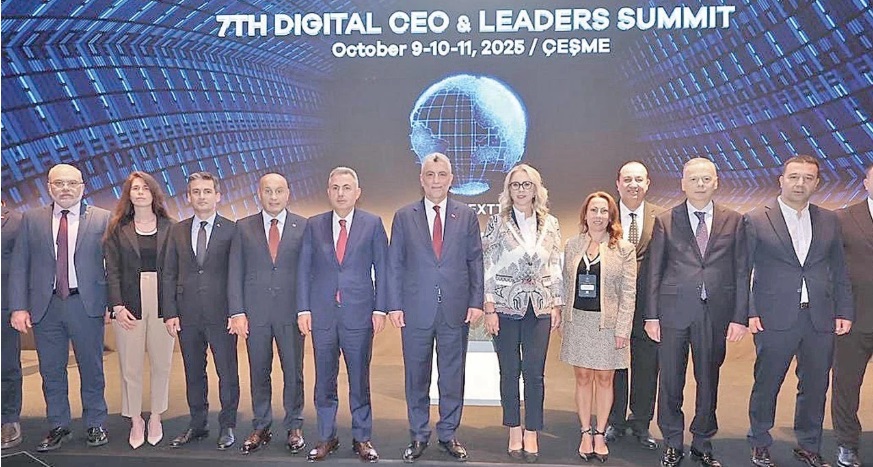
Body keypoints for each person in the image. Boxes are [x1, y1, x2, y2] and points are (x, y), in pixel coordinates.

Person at [745, 155, 853, 467]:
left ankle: (808, 445)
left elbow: (839, 269)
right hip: (773, 316)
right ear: (781, 180)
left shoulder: (829, 219)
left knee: (816, 386)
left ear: (816, 183)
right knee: (767, 383)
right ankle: (760, 442)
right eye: (794, 176)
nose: (800, 183)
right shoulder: (756, 218)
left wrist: (844, 310)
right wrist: (749, 311)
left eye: (807, 178)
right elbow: (742, 270)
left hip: (820, 317)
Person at [645, 158, 748, 467]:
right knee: (671, 381)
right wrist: (651, 316)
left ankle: (702, 442)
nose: (700, 184)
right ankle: (672, 442)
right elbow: (654, 271)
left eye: (706, 179)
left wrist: (740, 316)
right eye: (694, 179)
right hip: (673, 313)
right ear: (683, 184)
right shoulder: (666, 220)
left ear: (716, 182)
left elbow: (741, 271)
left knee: (708, 380)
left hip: (715, 313)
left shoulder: (735, 220)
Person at [387, 152, 484, 463]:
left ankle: (448, 433)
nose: (436, 180)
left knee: (452, 376)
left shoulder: (466, 215)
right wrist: (394, 305)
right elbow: (394, 264)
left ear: (451, 179)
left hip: (455, 308)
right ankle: (418, 435)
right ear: (422, 179)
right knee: (416, 376)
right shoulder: (404, 216)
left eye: (442, 175)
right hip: (415, 309)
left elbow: (475, 260)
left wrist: (476, 301)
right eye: (430, 174)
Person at [9, 164, 111, 451]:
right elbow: (20, 265)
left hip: (86, 304)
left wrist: (113, 303)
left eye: (72, 183)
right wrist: (18, 307)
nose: (65, 188)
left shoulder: (102, 218)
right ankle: (58, 426)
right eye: (59, 183)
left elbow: (113, 266)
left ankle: (95, 424)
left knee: (92, 369)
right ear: (49, 187)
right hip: (46, 306)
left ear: (83, 187)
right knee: (51, 371)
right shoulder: (32, 219)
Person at [297, 167, 388, 462]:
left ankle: (362, 438)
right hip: (322, 315)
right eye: (335, 187)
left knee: (359, 379)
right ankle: (326, 437)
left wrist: (380, 308)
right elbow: (304, 270)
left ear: (357, 193)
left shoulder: (372, 223)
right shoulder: (314, 225)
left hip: (359, 314)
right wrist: (303, 309)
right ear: (328, 192)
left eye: (347, 187)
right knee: (324, 380)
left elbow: (383, 269)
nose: (341, 193)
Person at [481, 163, 563, 462]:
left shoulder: (551, 223)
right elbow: (487, 265)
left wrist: (557, 303)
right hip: (504, 307)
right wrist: (489, 306)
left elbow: (555, 264)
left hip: (539, 308)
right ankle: (514, 428)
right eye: (515, 185)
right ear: (508, 190)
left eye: (526, 184)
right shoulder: (497, 222)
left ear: (536, 189)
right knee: (509, 371)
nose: (521, 190)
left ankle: (532, 431)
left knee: (534, 373)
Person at [227, 173, 307, 455]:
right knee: (259, 370)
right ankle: (261, 424)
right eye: (268, 191)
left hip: (291, 313)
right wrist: (237, 311)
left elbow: (307, 272)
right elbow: (235, 271)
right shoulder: (243, 227)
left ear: (288, 193)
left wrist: (305, 308)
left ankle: (294, 425)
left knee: (293, 371)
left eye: (279, 191)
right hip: (255, 313)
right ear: (259, 194)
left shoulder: (303, 226)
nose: (273, 197)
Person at [162, 172, 240, 451]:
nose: (202, 196)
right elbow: (168, 273)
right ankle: (198, 423)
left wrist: (236, 312)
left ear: (218, 196)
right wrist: (170, 312)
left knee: (227, 373)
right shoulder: (177, 230)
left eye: (207, 191)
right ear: (188, 197)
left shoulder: (232, 230)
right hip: (187, 315)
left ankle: (227, 425)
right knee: (193, 372)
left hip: (222, 314)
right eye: (196, 192)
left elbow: (236, 274)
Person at [560, 191, 636, 463]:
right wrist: (563, 317)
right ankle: (585, 432)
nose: (599, 216)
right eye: (594, 210)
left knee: (605, 379)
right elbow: (565, 284)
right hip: (579, 322)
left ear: (611, 216)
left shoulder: (623, 249)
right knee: (582, 378)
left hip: (608, 325)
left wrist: (623, 329)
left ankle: (600, 433)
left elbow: (629, 293)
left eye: (604, 211)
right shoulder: (572, 244)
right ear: (585, 214)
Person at [103, 171, 177, 449]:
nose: (141, 192)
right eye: (135, 188)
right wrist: (117, 306)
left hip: (163, 300)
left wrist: (175, 308)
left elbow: (177, 269)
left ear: (154, 193)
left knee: (162, 363)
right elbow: (112, 271)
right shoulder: (117, 228)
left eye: (146, 188)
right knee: (130, 366)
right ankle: (135, 419)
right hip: (128, 302)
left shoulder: (171, 227)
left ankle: (156, 416)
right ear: (128, 194)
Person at [606, 161, 663, 450]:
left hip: (649, 308)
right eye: (627, 179)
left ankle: (641, 422)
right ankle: (614, 420)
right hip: (613, 305)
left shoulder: (662, 217)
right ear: (618, 183)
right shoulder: (604, 214)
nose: (633, 184)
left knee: (646, 366)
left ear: (648, 183)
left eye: (639, 179)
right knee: (614, 364)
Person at [831, 162, 873, 467]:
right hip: (853, 317)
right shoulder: (842, 218)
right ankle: (847, 444)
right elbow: (831, 268)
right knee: (846, 386)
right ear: (866, 183)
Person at [1, 198, 24, 449]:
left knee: (6, 366)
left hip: (4, 306)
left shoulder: (16, 221)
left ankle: (8, 419)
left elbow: (23, 265)